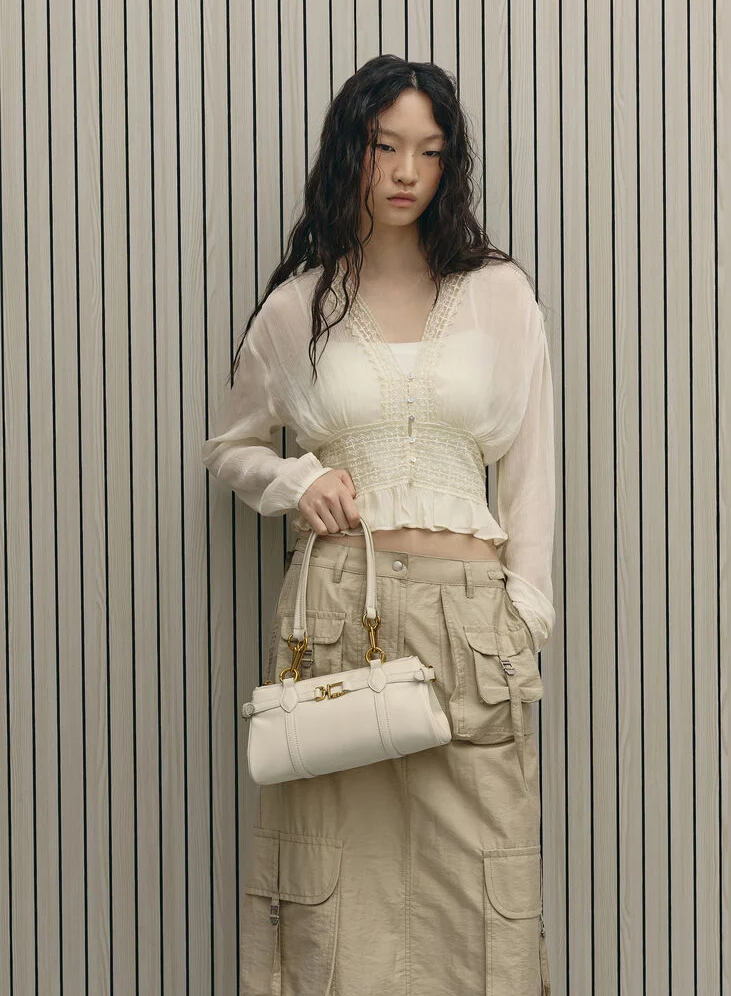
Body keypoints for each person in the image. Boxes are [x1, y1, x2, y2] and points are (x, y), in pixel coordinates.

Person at [203, 54, 554, 996]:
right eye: (384, 145)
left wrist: (524, 613)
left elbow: (532, 469)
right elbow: (229, 448)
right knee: (333, 901)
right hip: (336, 613)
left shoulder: (499, 294)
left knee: (483, 902)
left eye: (429, 152)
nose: (405, 172)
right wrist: (296, 479)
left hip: (469, 623)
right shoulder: (298, 307)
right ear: (348, 152)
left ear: (449, 165)